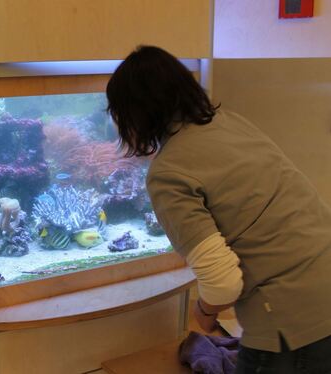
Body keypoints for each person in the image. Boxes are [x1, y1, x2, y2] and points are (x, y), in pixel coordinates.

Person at [106, 45, 331, 373]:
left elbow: (223, 282)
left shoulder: (168, 173)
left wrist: (205, 312)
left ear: (134, 113)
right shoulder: (229, 122)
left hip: (291, 321)